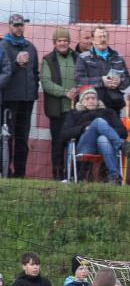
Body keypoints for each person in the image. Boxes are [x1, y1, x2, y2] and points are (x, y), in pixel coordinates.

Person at [60, 86, 128, 184]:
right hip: (85, 146)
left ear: (97, 100)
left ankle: (115, 177)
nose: (91, 101)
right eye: (87, 98)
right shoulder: (74, 113)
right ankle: (121, 145)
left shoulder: (109, 112)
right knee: (98, 122)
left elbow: (123, 132)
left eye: (93, 98)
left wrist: (105, 129)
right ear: (81, 101)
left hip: (104, 146)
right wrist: (84, 128)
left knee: (103, 138)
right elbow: (64, 134)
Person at [1, 14, 39, 178]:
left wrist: (34, 91)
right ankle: (5, 172)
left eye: (21, 25)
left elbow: (35, 73)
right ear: (9, 26)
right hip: (9, 99)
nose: (19, 28)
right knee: (7, 138)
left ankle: (20, 173)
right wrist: (16, 63)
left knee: (22, 138)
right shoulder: (3, 46)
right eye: (16, 25)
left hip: (27, 100)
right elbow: (4, 72)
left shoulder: (30, 47)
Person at [40, 28, 79, 181]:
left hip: (75, 110)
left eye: (65, 40)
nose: (63, 43)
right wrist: (65, 92)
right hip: (57, 111)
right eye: (59, 40)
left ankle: (74, 176)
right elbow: (46, 83)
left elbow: (83, 76)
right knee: (57, 144)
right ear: (54, 43)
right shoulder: (47, 59)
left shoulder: (77, 57)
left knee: (76, 143)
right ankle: (57, 175)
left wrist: (77, 90)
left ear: (69, 42)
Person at [75, 25, 130, 113]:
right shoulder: (83, 57)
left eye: (105, 36)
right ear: (93, 40)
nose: (102, 39)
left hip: (114, 106)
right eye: (99, 37)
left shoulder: (118, 57)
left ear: (108, 39)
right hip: (91, 107)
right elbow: (79, 81)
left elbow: (128, 80)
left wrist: (119, 82)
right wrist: (101, 81)